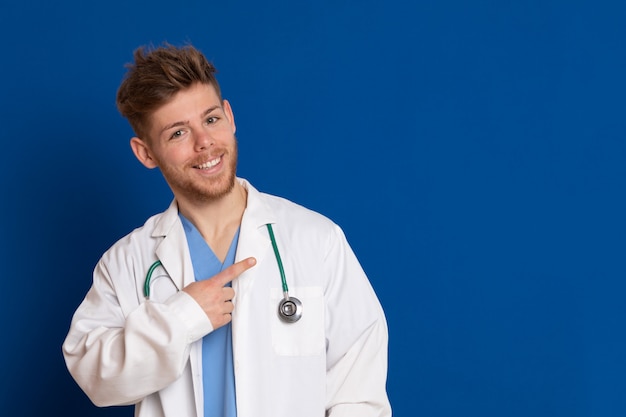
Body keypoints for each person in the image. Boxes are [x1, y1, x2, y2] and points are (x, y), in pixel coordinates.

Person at [62, 43, 392, 417]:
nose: (204, 143)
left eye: (211, 120)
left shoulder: (316, 240)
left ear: (230, 117)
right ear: (146, 153)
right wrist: (181, 318)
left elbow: (358, 386)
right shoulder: (126, 263)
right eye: (177, 134)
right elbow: (94, 377)